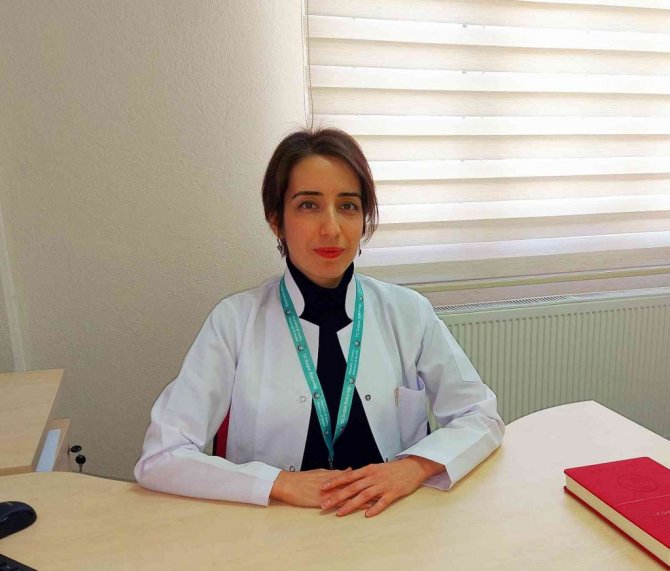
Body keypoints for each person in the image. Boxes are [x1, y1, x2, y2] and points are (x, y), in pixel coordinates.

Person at [134, 128, 504, 517]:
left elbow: (480, 415)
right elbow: (161, 457)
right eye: (309, 205)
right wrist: (278, 482)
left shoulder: (408, 311)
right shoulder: (234, 322)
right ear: (276, 220)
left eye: (348, 206)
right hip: (274, 531)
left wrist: (414, 467)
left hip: (390, 524)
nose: (331, 228)